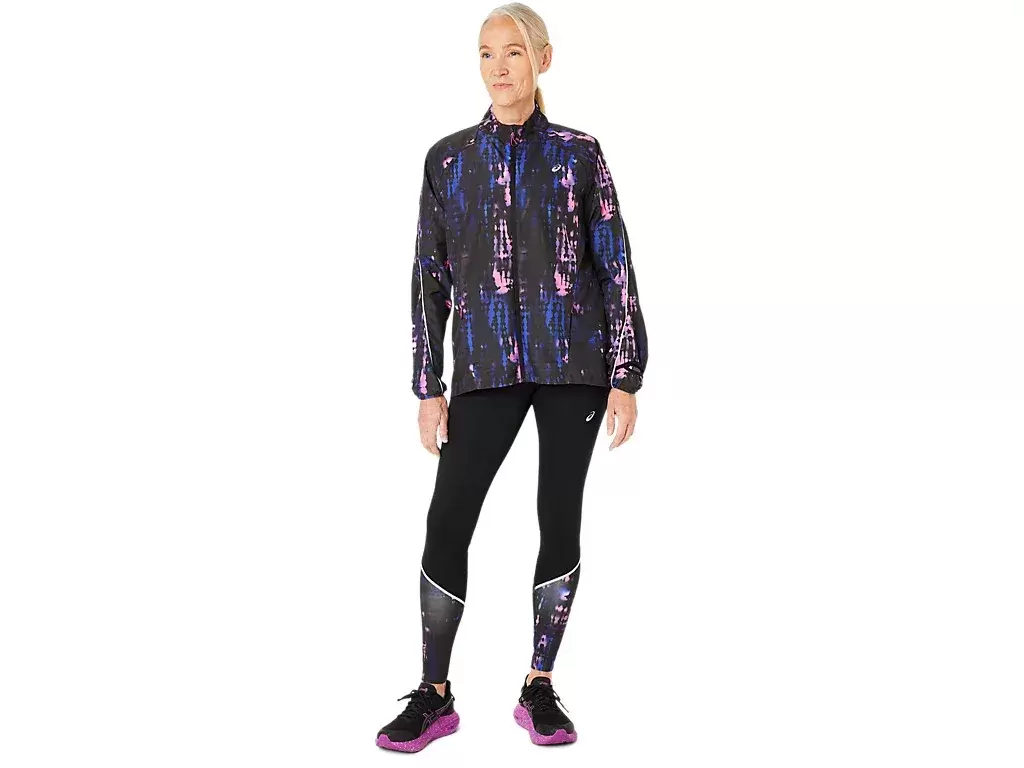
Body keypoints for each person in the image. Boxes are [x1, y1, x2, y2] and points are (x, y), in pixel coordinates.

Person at [375, 2, 649, 752]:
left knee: (558, 514)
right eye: (487, 54)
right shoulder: (449, 160)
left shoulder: (580, 155)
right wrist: (428, 385)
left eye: (514, 53)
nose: (499, 67)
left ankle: (539, 685)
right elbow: (428, 276)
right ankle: (433, 694)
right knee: (448, 518)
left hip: (574, 364)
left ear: (543, 60)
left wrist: (625, 373)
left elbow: (614, 262)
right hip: (486, 364)